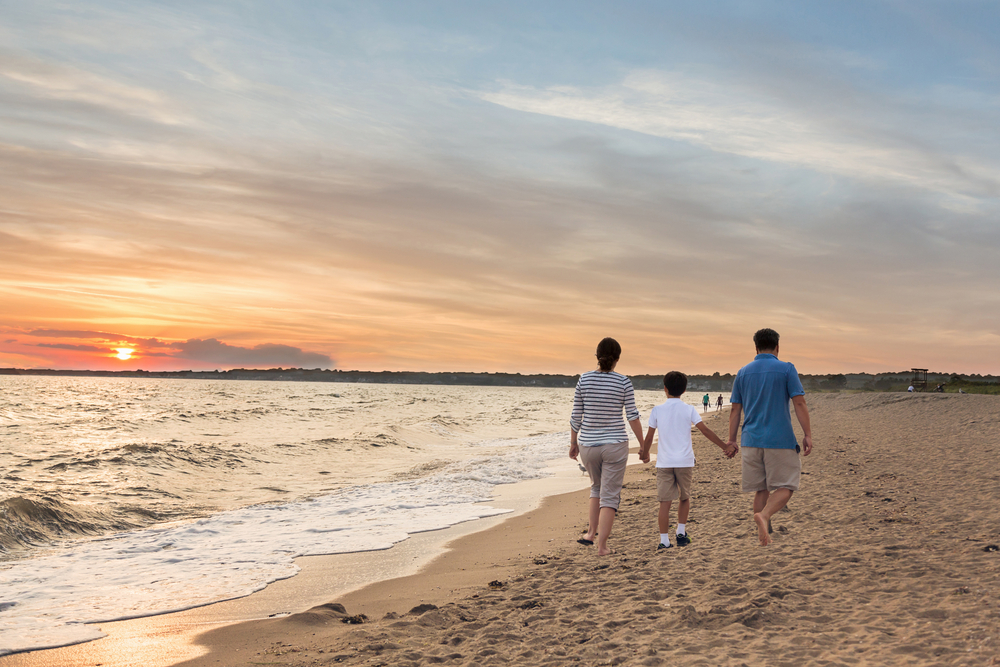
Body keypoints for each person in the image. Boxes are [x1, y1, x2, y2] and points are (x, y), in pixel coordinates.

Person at [727, 328, 813, 547]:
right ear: (777, 347)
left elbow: (735, 410)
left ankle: (764, 532)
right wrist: (807, 434)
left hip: (750, 440)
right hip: (779, 439)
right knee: (787, 485)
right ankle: (764, 517)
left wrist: (732, 440)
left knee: (761, 488)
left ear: (755, 347)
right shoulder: (786, 369)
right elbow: (799, 402)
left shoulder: (743, 372)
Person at [639, 371, 737, 550]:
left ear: (665, 389)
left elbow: (649, 436)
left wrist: (645, 454)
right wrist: (725, 446)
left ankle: (664, 540)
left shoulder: (657, 410)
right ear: (684, 390)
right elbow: (705, 431)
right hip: (684, 461)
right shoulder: (689, 409)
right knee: (684, 497)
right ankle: (681, 532)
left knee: (665, 502)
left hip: (665, 462)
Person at [569, 337, 645, 556]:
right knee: (610, 495)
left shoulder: (584, 379)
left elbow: (576, 416)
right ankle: (602, 547)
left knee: (596, 487)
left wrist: (573, 443)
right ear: (617, 359)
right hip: (615, 445)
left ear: (597, 356)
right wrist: (642, 444)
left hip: (588, 445)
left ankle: (590, 534)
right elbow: (632, 416)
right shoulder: (623, 382)